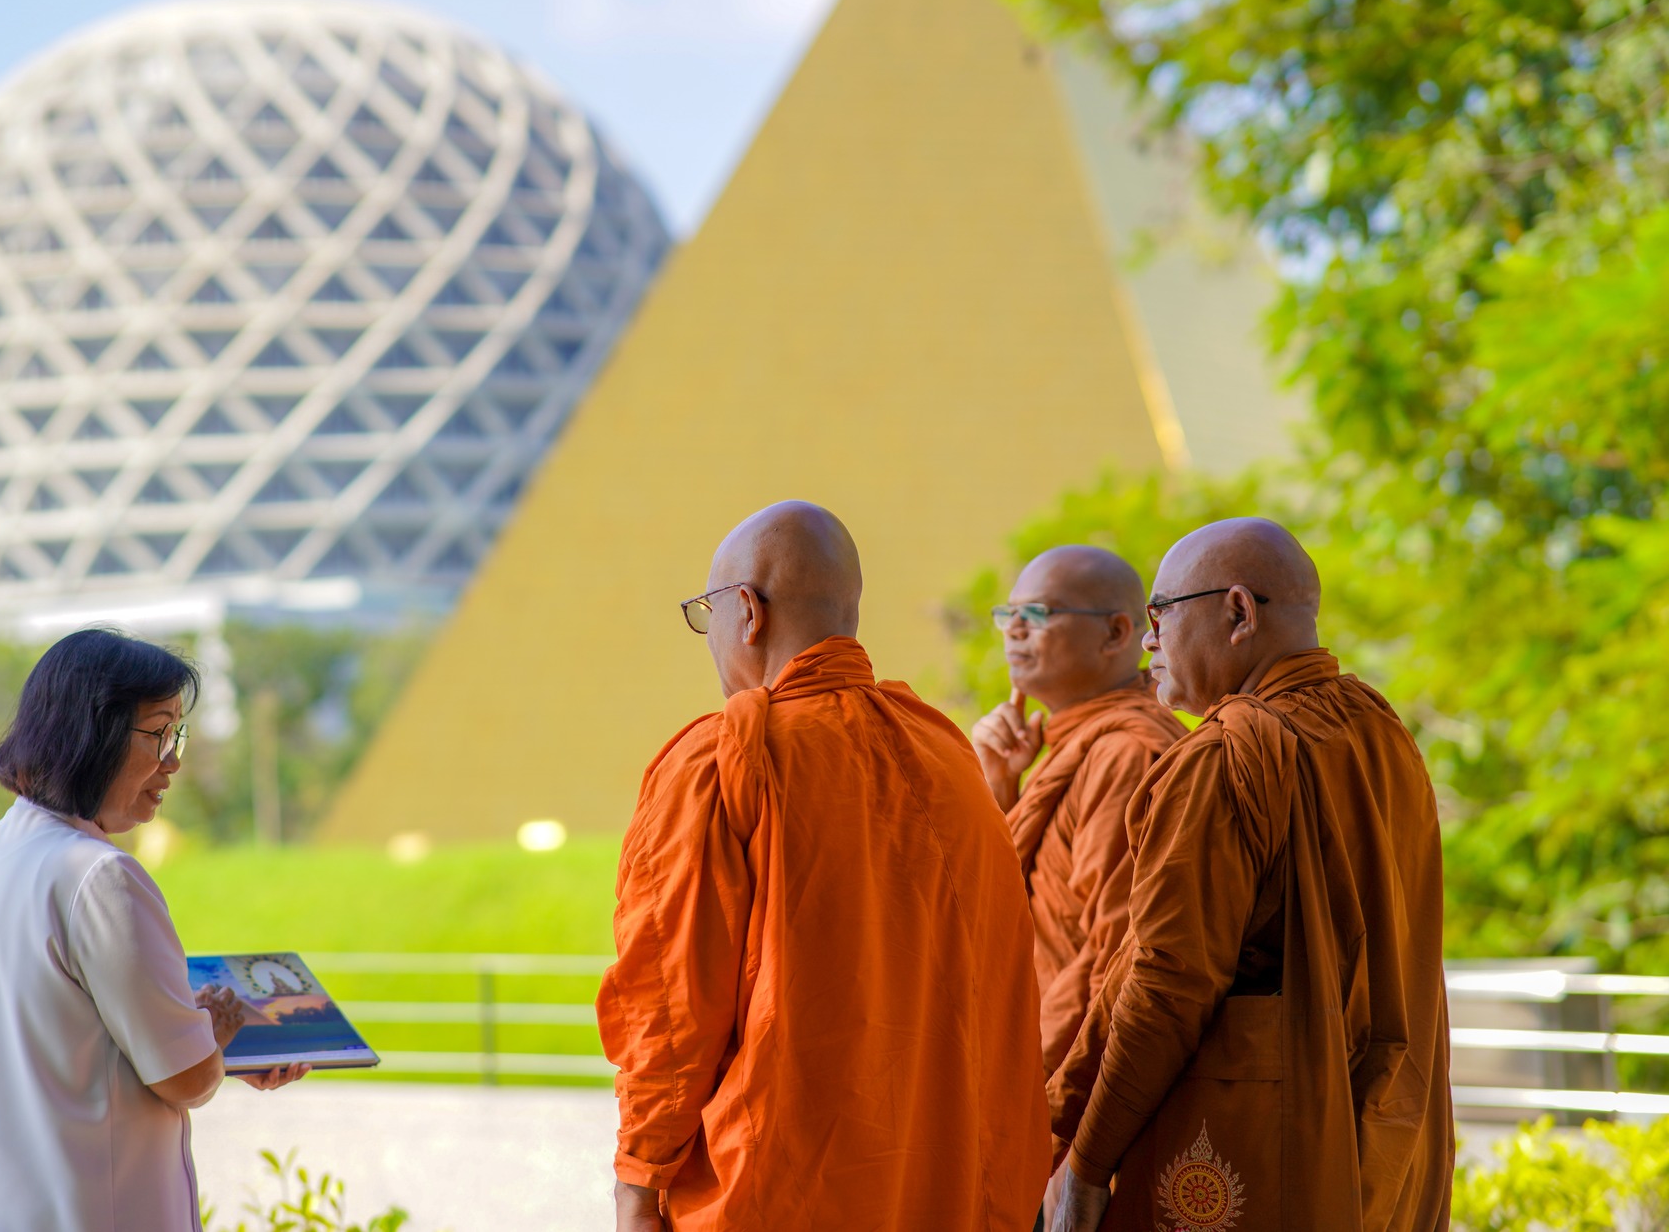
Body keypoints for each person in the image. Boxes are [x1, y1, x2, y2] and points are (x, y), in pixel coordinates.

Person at [596, 501, 1051, 1232]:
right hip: (951, 1184)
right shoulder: (948, 755)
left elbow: (672, 1009)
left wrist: (638, 1182)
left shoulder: (720, 762)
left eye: (705, 612)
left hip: (783, 1189)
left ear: (746, 611)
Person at [1045, 519, 1452, 1232]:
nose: (1149, 642)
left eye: (1159, 614)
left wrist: (1084, 1160)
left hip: (1257, 1153)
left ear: (1237, 611)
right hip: (1387, 1134)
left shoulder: (1223, 758)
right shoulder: (1383, 734)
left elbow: (1168, 982)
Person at [0, 628, 307, 1232]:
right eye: (159, 733)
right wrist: (216, 1034)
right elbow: (184, 1079)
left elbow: (61, 1052)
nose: (174, 760)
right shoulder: (99, 875)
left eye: (177, 734)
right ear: (90, 731)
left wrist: (202, 1035)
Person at [968, 546, 1186, 1080]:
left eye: (1038, 613)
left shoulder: (1125, 753)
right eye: (1008, 614)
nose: (1014, 630)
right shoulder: (1070, 744)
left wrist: (1035, 1088)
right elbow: (1030, 913)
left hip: (1071, 1075)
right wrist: (1001, 787)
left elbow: (1114, 957)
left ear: (1115, 634)